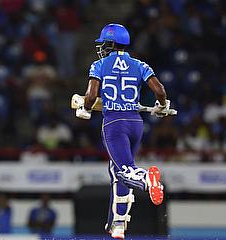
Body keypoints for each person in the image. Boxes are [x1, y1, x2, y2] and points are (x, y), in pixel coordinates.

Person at [74, 23, 167, 239]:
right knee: (117, 171)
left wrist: (85, 108)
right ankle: (118, 223)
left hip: (114, 123)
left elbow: (91, 95)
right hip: (136, 122)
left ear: (112, 44)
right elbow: (160, 90)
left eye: (104, 43)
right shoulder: (139, 64)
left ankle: (147, 180)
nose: (101, 48)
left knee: (126, 170)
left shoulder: (99, 64)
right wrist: (161, 106)